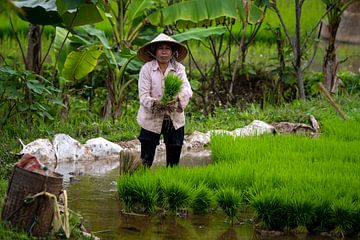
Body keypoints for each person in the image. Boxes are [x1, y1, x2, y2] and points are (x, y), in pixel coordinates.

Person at [136, 33, 193, 168]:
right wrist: (157, 103)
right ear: (154, 51)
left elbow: (187, 90)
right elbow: (143, 95)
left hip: (174, 118)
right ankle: (142, 181)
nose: (164, 52)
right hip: (151, 117)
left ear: (173, 52)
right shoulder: (147, 69)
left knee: (174, 157)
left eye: (167, 48)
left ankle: (170, 182)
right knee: (146, 158)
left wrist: (176, 99)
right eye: (160, 48)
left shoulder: (179, 69)